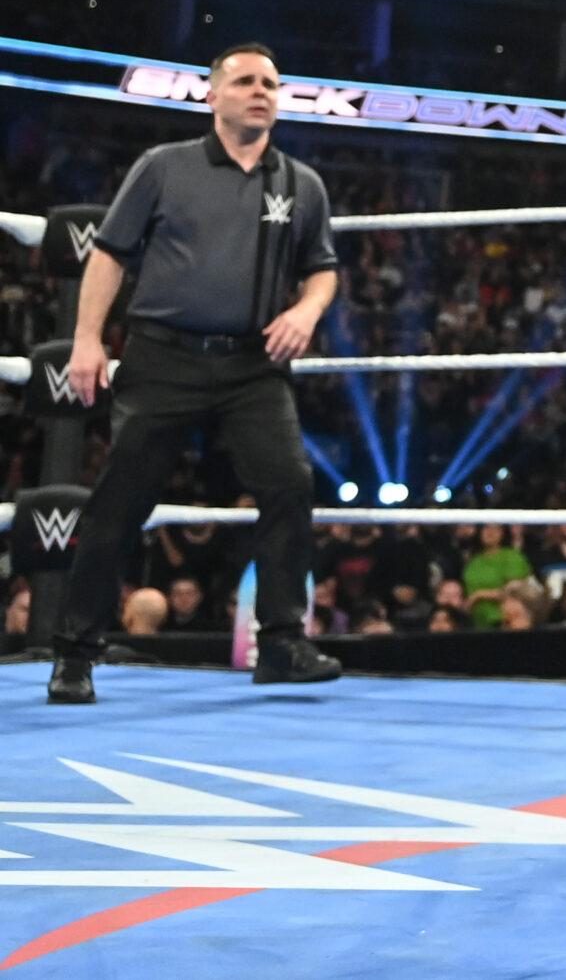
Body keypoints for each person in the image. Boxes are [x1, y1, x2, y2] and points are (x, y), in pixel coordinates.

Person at [48, 43, 344, 703]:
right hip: (164, 357)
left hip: (253, 365)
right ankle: (74, 653)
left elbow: (323, 268)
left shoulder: (301, 183)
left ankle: (281, 643)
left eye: (270, 83)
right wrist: (87, 339)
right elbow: (109, 254)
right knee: (121, 501)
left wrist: (306, 309)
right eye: (245, 82)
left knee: (290, 484)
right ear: (212, 96)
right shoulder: (164, 167)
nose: (260, 92)